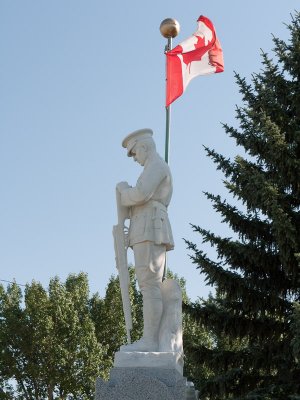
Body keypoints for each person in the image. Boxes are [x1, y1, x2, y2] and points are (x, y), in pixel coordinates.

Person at [117, 128, 174, 352]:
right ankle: (150, 338)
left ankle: (150, 340)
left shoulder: (157, 166)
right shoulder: (152, 167)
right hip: (144, 228)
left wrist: (124, 192)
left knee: (149, 285)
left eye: (135, 153)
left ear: (144, 147)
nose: (135, 158)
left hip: (151, 228)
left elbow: (141, 194)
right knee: (146, 284)